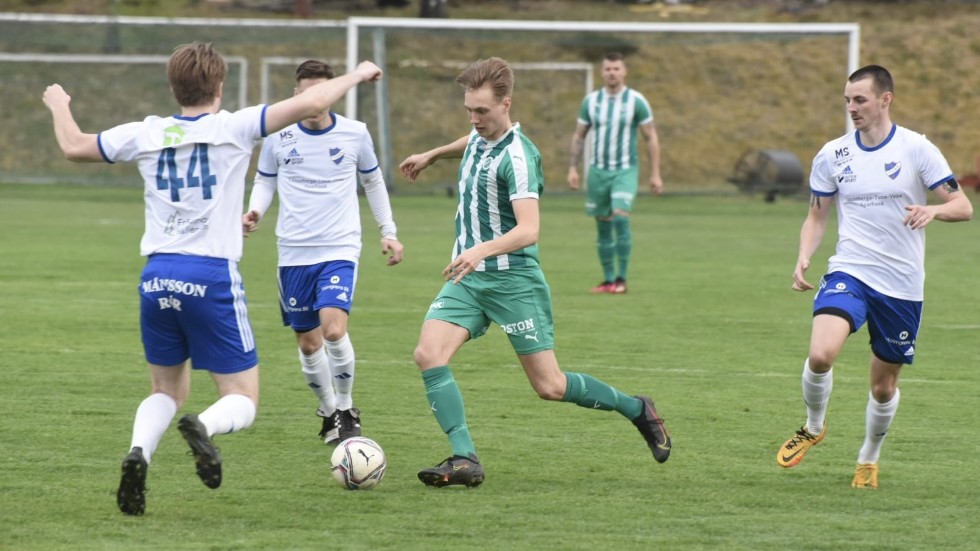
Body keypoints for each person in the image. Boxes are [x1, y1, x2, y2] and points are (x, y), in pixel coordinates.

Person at [42, 42, 382, 515]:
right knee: (241, 397)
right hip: (210, 275)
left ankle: (139, 451)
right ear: (219, 86)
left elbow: (74, 145)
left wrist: (59, 104)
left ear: (173, 86)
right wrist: (357, 73)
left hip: (157, 275)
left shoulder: (146, 132)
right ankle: (201, 425)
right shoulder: (234, 127)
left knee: (164, 390)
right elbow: (313, 102)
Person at [398, 57, 671, 489]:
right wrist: (432, 154)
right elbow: (468, 141)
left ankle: (636, 408)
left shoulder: (519, 157)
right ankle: (464, 456)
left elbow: (529, 230)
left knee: (550, 386)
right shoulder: (478, 135)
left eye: (483, 111)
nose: (474, 119)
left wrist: (479, 250)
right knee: (428, 355)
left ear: (506, 104)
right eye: (469, 110)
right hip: (469, 281)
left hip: (512, 281)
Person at [775, 65, 972, 489]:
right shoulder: (832, 154)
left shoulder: (917, 149)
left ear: (885, 99)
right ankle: (813, 426)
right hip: (850, 269)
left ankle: (869, 456)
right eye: (847, 100)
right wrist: (804, 255)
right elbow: (816, 213)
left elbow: (963, 206)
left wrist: (934, 210)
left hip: (901, 284)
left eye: (860, 99)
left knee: (883, 388)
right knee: (821, 354)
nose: (852, 108)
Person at [243, 59, 404, 446]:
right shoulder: (278, 137)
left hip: (340, 246)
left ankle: (347, 409)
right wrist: (255, 211)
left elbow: (374, 182)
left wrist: (389, 231)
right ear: (297, 94)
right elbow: (265, 182)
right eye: (308, 92)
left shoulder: (355, 133)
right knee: (308, 342)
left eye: (322, 92)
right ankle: (329, 409)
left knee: (333, 329)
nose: (315, 99)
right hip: (294, 251)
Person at [567, 51, 664, 295]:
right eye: (608, 69)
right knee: (603, 224)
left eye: (616, 68)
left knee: (620, 216)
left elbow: (650, 136)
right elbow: (579, 136)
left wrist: (655, 174)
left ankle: (621, 279)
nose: (612, 73)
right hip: (598, 172)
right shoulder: (591, 101)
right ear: (602, 72)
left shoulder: (636, 101)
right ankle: (608, 280)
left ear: (624, 71)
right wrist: (572, 168)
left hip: (625, 170)